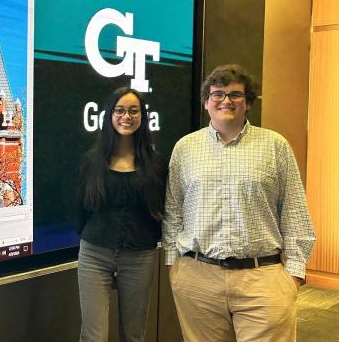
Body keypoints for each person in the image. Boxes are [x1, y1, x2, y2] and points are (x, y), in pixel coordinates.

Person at [163, 64, 316, 342]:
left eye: (235, 94)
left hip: (262, 278)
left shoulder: (274, 145)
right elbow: (173, 210)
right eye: (218, 94)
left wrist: (293, 274)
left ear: (248, 103)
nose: (226, 101)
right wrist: (176, 267)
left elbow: (294, 210)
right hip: (197, 278)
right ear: (206, 102)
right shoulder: (185, 148)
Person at [77, 87, 167, 342]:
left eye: (133, 110)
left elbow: (161, 209)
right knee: (93, 335)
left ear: (142, 116)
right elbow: (81, 210)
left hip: (140, 256)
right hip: (94, 253)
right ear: (109, 115)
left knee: (134, 335)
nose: (126, 116)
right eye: (119, 110)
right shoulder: (91, 161)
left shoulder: (156, 164)